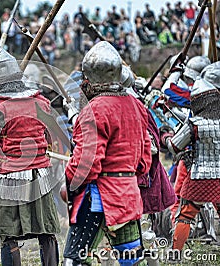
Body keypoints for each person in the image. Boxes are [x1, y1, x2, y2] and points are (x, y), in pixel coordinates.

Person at [0, 46, 61, 266]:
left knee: (9, 234)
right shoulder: (41, 102)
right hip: (41, 174)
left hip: (11, 174)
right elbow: (50, 135)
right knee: (46, 231)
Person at [62, 41, 152, 265]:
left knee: (75, 260)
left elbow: (86, 164)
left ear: (89, 78)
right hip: (129, 196)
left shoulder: (95, 109)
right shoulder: (137, 105)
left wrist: (69, 182)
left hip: (98, 197)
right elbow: (145, 158)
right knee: (131, 259)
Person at [162, 62, 220, 257]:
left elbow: (175, 146)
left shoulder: (194, 123)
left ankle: (175, 255)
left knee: (185, 215)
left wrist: (166, 137)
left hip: (199, 175)